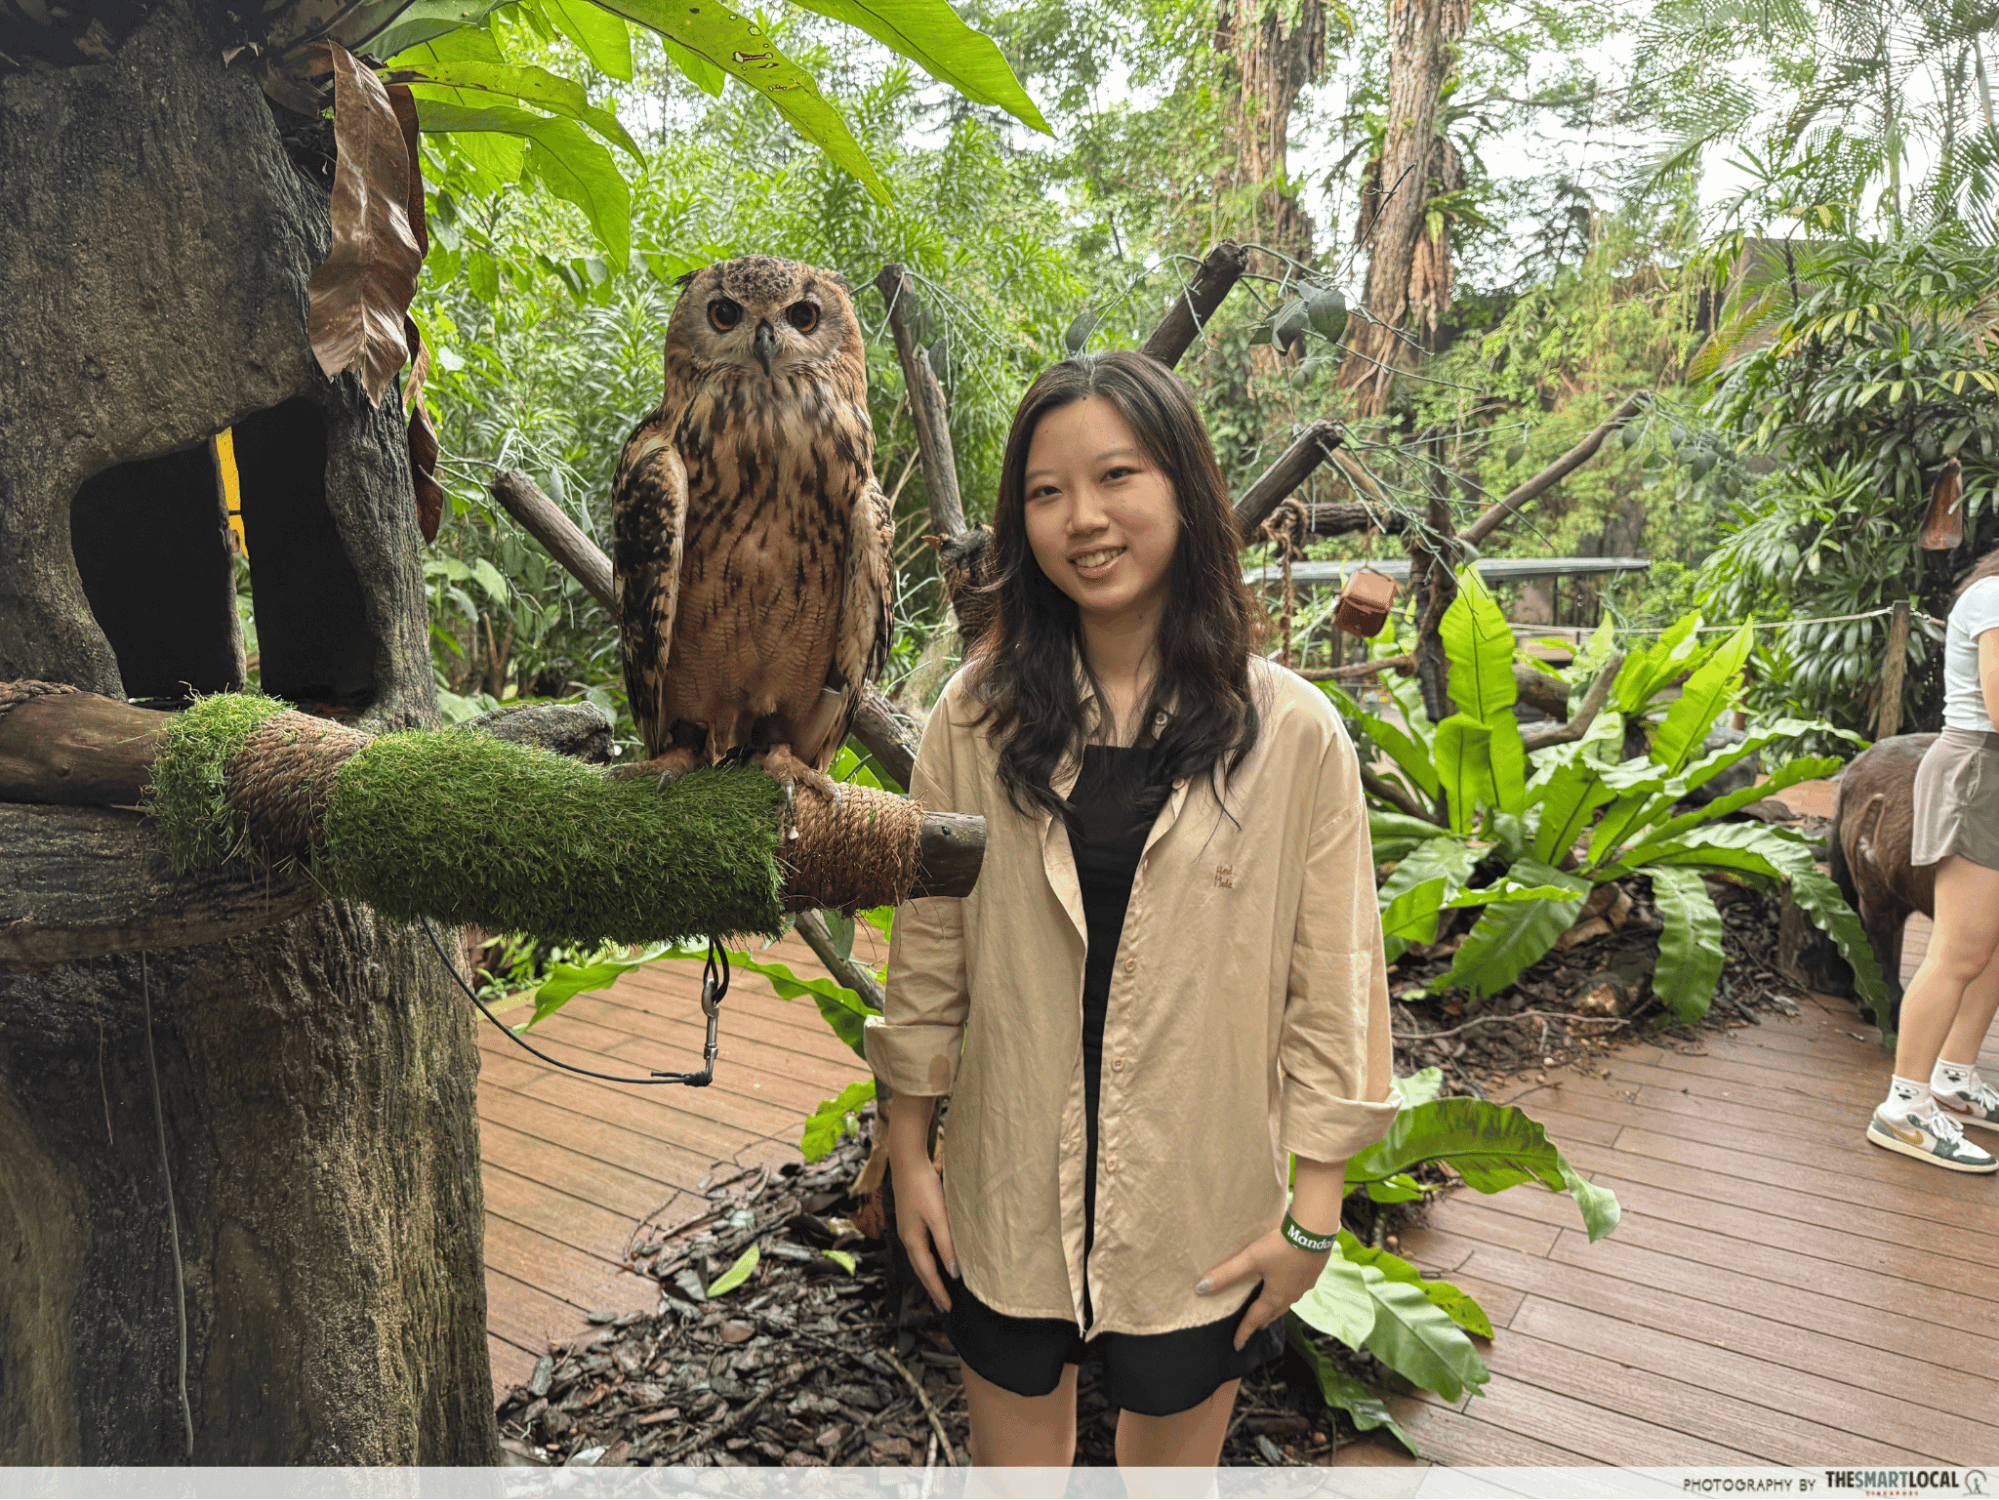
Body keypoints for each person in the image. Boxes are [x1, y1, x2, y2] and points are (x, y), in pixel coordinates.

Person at [866, 350, 1401, 1484]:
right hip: (1006, 1184)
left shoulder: (1290, 733)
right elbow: (930, 944)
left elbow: (1334, 981)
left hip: (1198, 1195)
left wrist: (1314, 1213)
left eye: (1117, 476)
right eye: (1047, 492)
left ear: (1183, 493)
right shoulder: (976, 716)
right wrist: (907, 1146)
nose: (1083, 518)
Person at [1866, 552, 1999, 1173]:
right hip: (1981, 769)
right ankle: (1906, 1106)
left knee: (1993, 947)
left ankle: (1954, 1078)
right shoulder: (1996, 595)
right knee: (1959, 952)